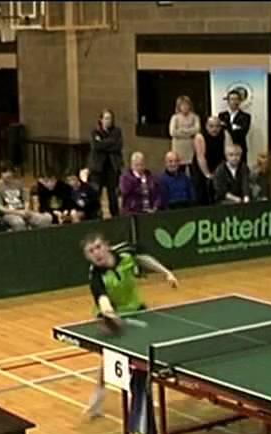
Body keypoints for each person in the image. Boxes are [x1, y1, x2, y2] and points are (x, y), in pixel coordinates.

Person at [82, 234, 179, 416]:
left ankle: (148, 385)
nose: (96, 253)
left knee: (151, 345)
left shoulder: (125, 252)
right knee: (111, 354)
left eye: (98, 247)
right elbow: (102, 299)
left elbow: (143, 259)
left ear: (107, 246)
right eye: (91, 251)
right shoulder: (95, 276)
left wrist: (166, 272)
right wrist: (110, 315)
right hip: (111, 315)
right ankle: (99, 394)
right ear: (87, 256)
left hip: (136, 309)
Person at [88, 109, 123, 217]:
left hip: (112, 167)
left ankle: (115, 216)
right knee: (96, 193)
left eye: (110, 118)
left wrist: (103, 143)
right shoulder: (95, 132)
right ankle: (96, 215)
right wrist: (110, 142)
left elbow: (118, 146)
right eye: (106, 118)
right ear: (101, 120)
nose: (109, 121)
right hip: (98, 168)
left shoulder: (117, 131)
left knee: (113, 194)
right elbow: (96, 146)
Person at [192, 116, 226, 206]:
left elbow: (228, 152)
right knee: (202, 190)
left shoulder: (225, 134)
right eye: (211, 126)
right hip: (201, 166)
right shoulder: (200, 137)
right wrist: (207, 175)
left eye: (217, 126)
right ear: (206, 126)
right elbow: (201, 157)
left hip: (217, 164)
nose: (214, 129)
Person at [219, 90, 252, 167]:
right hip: (224, 148)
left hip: (239, 148)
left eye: (236, 99)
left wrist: (226, 126)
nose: (234, 102)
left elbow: (242, 132)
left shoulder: (245, 116)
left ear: (240, 101)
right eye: (232, 99)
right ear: (228, 101)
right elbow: (220, 131)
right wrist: (233, 127)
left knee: (241, 170)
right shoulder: (222, 115)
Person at [168, 95, 200, 168]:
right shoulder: (175, 117)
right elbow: (172, 132)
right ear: (179, 106)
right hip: (178, 149)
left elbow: (197, 130)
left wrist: (182, 130)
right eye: (182, 105)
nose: (185, 107)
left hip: (191, 147)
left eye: (186, 104)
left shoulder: (195, 117)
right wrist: (189, 132)